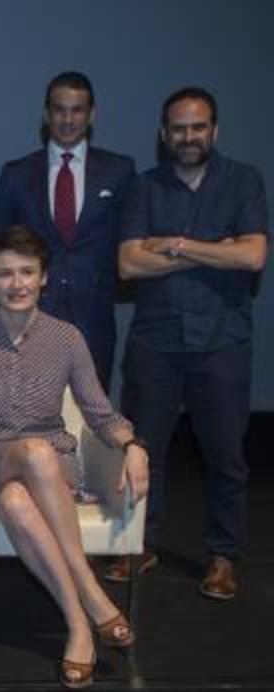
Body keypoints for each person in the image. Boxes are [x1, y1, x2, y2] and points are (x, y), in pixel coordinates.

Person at [0, 226, 150, 689]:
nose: (17, 283)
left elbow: (99, 412)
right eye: (5, 274)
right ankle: (92, 589)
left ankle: (78, 626)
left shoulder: (67, 338)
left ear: (44, 278)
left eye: (27, 272)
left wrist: (133, 445)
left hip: (51, 470)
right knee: (32, 451)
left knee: (18, 500)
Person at [116, 87, 268, 596]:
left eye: (197, 127)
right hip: (156, 341)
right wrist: (215, 249)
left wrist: (176, 245)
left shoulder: (243, 181)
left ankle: (222, 555)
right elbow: (129, 263)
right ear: (164, 134)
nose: (188, 137)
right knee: (144, 451)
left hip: (222, 342)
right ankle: (141, 544)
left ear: (214, 131)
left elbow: (252, 258)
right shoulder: (144, 187)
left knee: (225, 454)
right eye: (178, 128)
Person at [0, 71, 135, 390]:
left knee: (90, 422)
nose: (68, 119)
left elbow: (128, 240)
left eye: (77, 110)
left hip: (94, 320)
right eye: (59, 109)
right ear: (46, 114)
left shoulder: (119, 171)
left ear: (91, 114)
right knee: (27, 419)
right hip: (29, 319)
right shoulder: (16, 174)